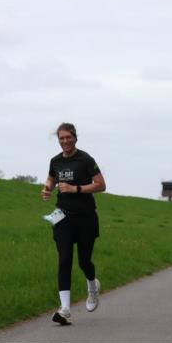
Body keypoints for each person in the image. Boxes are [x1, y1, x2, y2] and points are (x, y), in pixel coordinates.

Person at [41, 123, 106, 325]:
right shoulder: (55, 161)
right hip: (62, 218)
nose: (65, 141)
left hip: (85, 217)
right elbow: (51, 179)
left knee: (84, 262)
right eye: (61, 138)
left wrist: (75, 189)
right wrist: (47, 189)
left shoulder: (85, 159)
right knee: (64, 260)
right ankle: (65, 309)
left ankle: (93, 288)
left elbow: (101, 185)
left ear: (75, 138)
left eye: (68, 137)